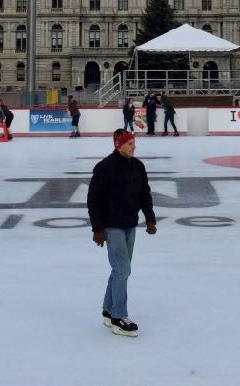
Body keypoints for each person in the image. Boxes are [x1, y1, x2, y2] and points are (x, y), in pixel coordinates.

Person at [87, 129, 157, 337]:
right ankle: (119, 317)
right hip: (111, 226)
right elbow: (94, 200)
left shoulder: (138, 166)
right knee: (123, 270)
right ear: (118, 145)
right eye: (129, 144)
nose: (134, 147)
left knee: (119, 270)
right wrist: (97, 228)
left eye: (134, 143)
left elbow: (145, 194)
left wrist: (150, 218)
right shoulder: (104, 167)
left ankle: (108, 310)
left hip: (129, 225)